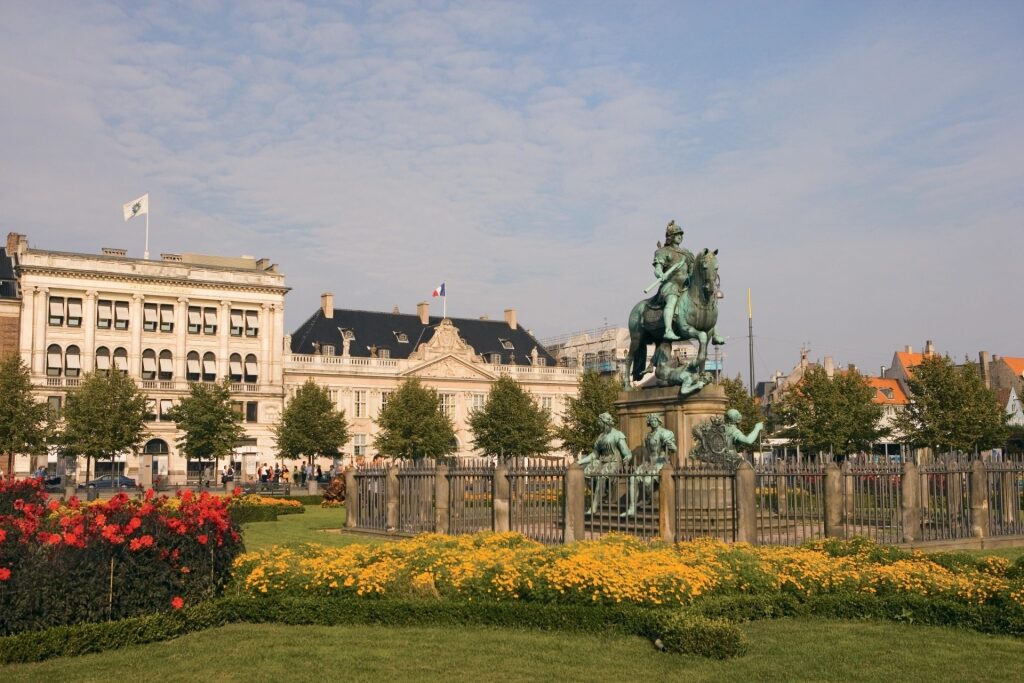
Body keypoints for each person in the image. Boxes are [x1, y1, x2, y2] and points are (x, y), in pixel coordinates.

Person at [577, 412, 632, 514]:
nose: (598, 423)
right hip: (602, 461)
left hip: (614, 462)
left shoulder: (617, 434)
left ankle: (594, 506)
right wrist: (579, 462)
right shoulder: (601, 436)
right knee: (587, 472)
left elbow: (626, 452)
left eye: (599, 421)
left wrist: (627, 457)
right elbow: (594, 455)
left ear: (604, 422)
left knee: (601, 476)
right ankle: (603, 493)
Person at [622, 413, 676, 517]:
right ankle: (632, 508)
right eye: (651, 421)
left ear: (659, 421)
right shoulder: (648, 435)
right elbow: (648, 451)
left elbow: (674, 449)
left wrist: (670, 445)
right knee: (633, 478)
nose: (653, 422)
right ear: (649, 423)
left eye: (655, 420)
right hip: (649, 461)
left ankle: (647, 499)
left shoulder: (665, 433)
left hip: (661, 461)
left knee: (647, 481)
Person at [651, 220, 693, 341]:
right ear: (671, 236)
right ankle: (668, 330)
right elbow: (658, 268)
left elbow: (692, 271)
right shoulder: (662, 252)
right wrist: (660, 274)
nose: (680, 236)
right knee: (672, 299)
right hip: (671, 284)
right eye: (677, 234)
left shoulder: (687, 254)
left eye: (681, 234)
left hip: (686, 284)